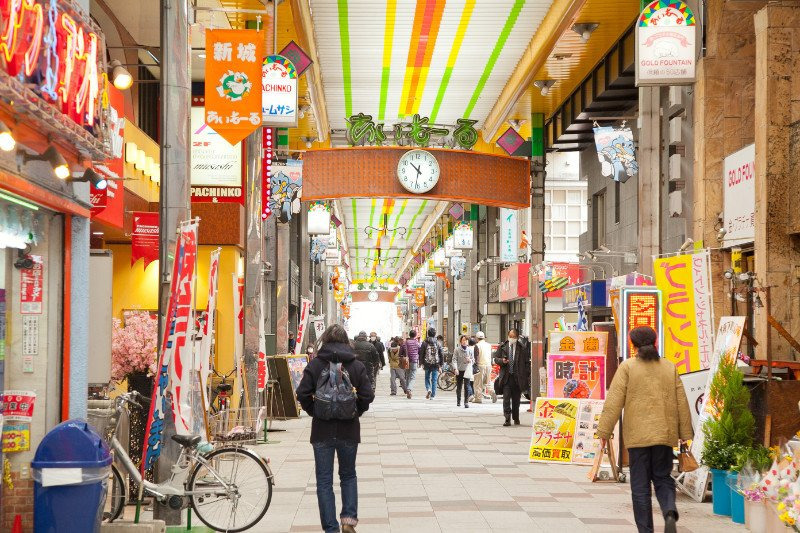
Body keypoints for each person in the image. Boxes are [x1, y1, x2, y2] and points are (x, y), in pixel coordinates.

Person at [597, 326, 693, 533]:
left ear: (633, 345)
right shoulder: (669, 367)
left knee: (640, 487)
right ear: (654, 342)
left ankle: (646, 530)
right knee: (663, 478)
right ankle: (668, 512)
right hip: (664, 435)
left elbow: (613, 402)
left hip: (637, 438)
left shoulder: (628, 367)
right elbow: (681, 402)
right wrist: (685, 435)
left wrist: (604, 432)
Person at [296, 324, 375, 533]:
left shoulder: (315, 365)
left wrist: (315, 411)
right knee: (348, 475)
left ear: (326, 340)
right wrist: (356, 411)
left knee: (324, 481)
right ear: (346, 341)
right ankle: (348, 521)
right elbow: (368, 396)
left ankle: (330, 528)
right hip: (349, 430)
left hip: (321, 430)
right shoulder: (356, 365)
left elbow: (302, 394)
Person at [493, 329, 531, 426]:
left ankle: (516, 417)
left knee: (516, 400)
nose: (511, 338)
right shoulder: (502, 347)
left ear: (517, 337)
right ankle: (507, 418)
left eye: (513, 337)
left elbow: (527, 363)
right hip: (506, 377)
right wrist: (502, 361)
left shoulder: (522, 348)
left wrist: (526, 374)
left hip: (518, 378)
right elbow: (496, 359)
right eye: (510, 336)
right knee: (506, 399)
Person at [420, 328, 444, 399]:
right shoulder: (438, 343)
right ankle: (432, 396)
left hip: (427, 363)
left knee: (427, 378)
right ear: (435, 334)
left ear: (428, 333)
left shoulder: (424, 342)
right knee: (434, 380)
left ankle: (429, 389)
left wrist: (421, 363)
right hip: (436, 364)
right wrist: (441, 365)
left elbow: (421, 353)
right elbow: (441, 354)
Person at [452, 335, 474, 408]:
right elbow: (454, 359)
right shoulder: (457, 350)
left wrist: (470, 360)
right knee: (459, 386)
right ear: (461, 341)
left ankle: (466, 402)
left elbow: (473, 360)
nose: (465, 342)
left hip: (467, 370)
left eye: (466, 340)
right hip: (459, 370)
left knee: (467, 387)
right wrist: (455, 369)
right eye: (463, 340)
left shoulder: (470, 350)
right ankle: (458, 401)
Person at [472, 331, 492, 403]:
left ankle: (478, 398)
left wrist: (475, 366)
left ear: (477, 338)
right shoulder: (489, 345)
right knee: (488, 382)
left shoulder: (477, 346)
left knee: (478, 383)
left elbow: (476, 357)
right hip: (488, 365)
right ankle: (492, 392)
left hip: (480, 365)